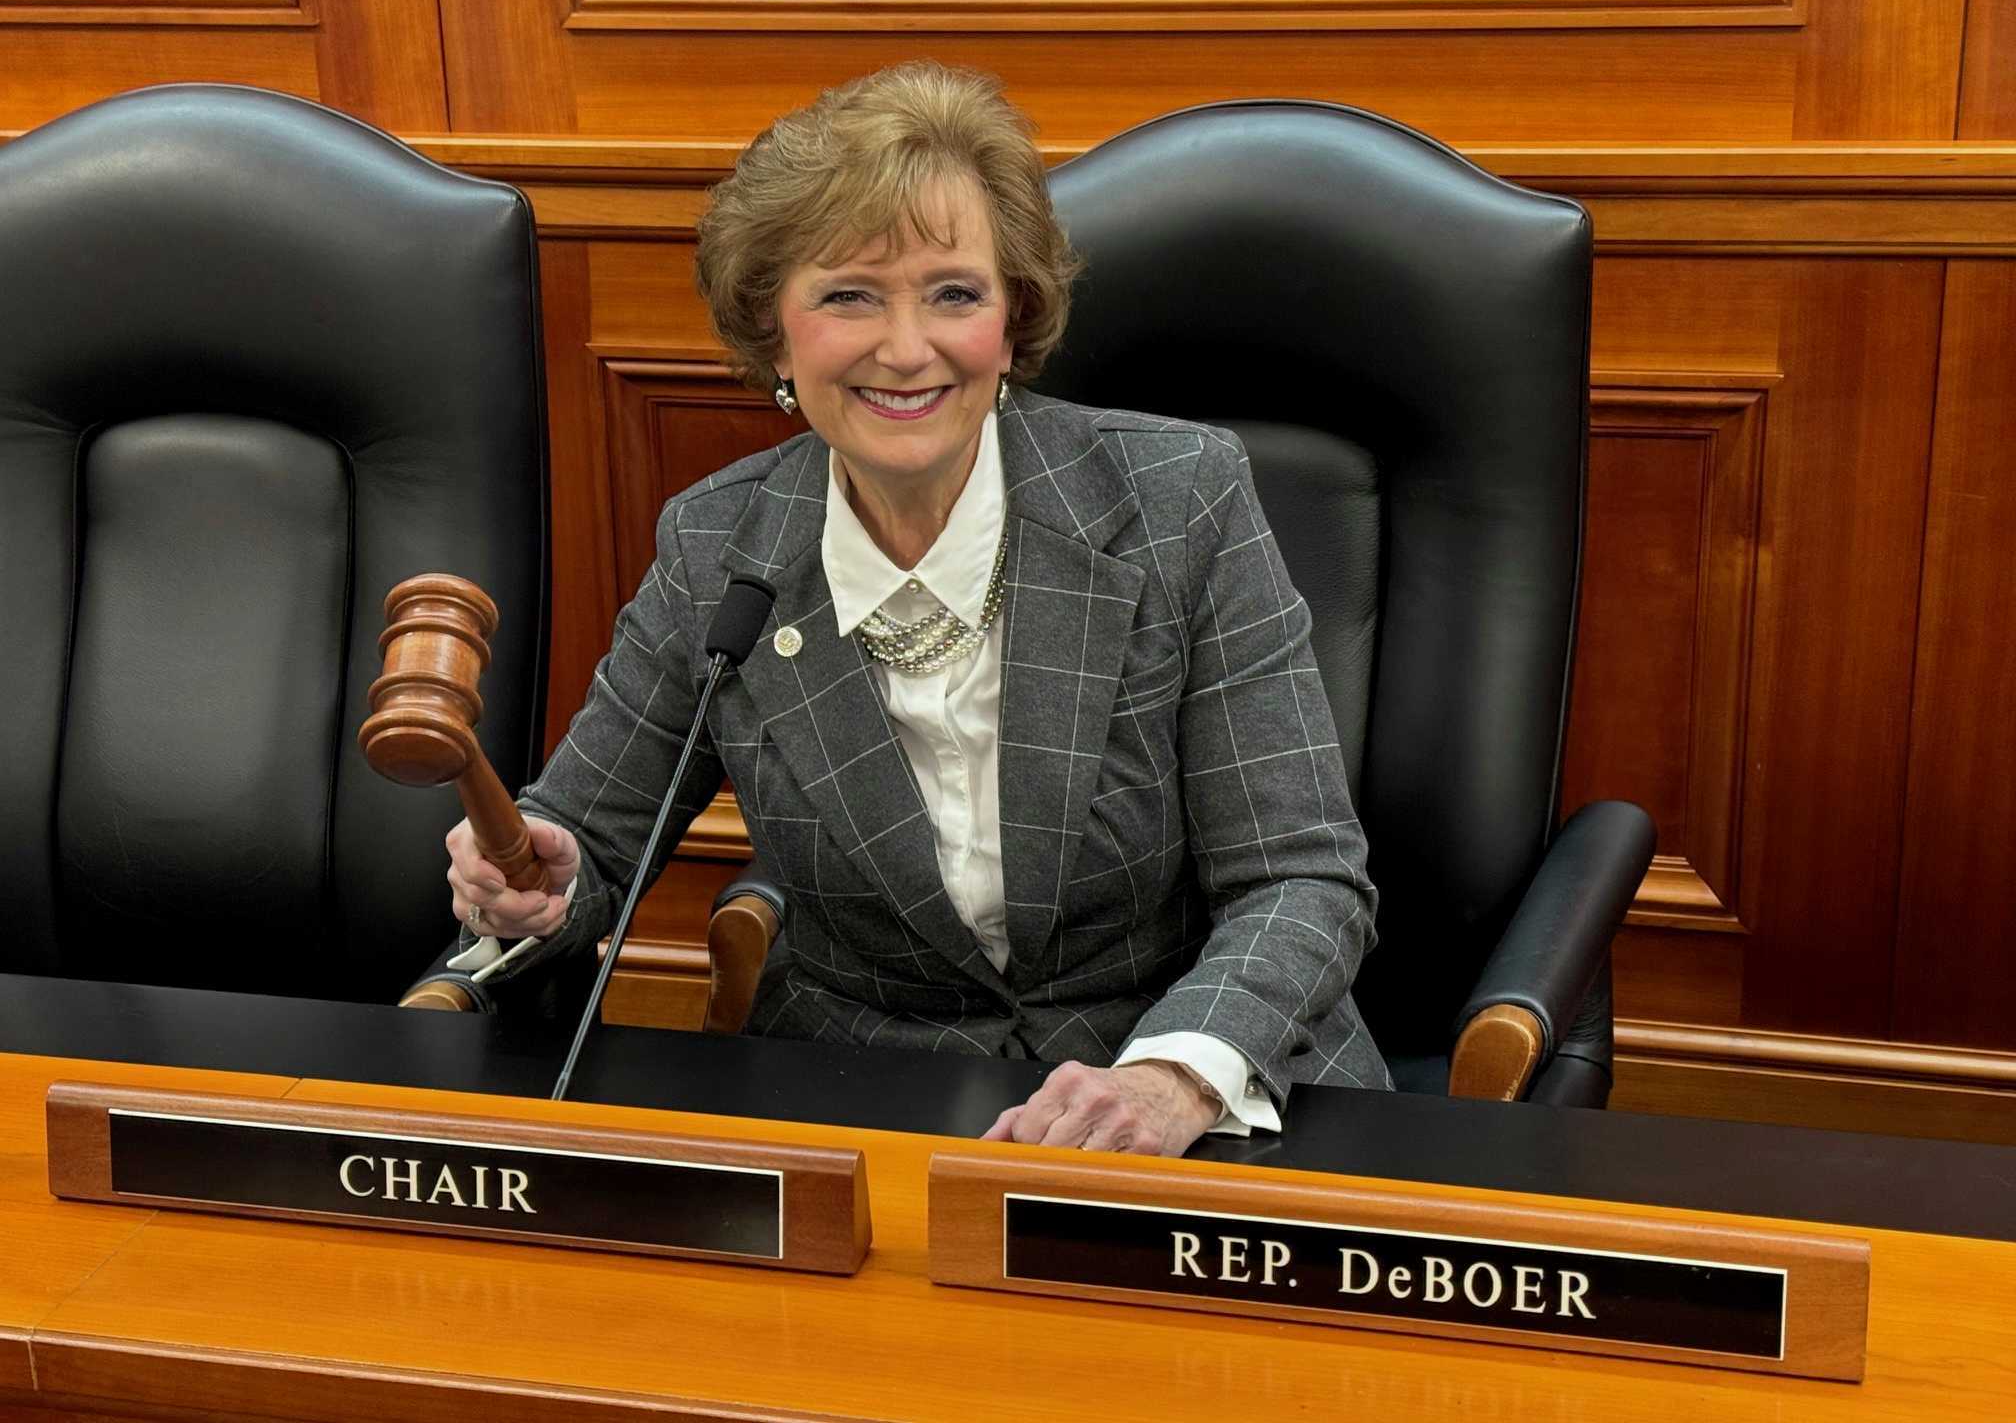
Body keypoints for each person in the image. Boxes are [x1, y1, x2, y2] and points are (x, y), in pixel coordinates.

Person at [445, 61, 1390, 1157]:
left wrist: (1175, 1075)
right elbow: (584, 849)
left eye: (953, 294)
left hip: (1195, 1091)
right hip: (862, 1101)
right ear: (773, 328)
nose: (906, 349)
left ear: (1012, 317)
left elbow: (1301, 877)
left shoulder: (1179, 502)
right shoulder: (721, 549)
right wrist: (533, 887)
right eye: (850, 295)